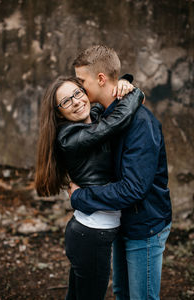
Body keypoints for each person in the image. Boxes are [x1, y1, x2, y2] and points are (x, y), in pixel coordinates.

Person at [69, 45, 172, 300]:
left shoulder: (141, 124)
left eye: (82, 81)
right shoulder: (104, 115)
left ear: (101, 79)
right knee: (121, 293)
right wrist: (128, 84)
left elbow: (133, 189)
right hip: (122, 222)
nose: (79, 89)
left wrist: (80, 197)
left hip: (145, 226)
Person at [35, 72, 144, 299]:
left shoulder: (91, 117)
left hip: (87, 233)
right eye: (66, 101)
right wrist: (137, 94)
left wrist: (124, 83)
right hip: (91, 234)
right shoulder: (69, 137)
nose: (76, 101)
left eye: (78, 93)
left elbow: (105, 106)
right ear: (59, 112)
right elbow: (116, 122)